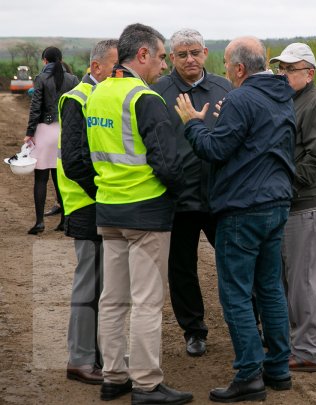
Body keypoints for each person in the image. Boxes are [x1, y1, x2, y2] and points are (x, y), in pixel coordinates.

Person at [175, 36, 295, 402]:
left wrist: (193, 123)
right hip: (276, 204)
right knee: (270, 288)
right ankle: (278, 368)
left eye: (227, 64)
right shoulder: (283, 95)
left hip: (243, 208)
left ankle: (248, 375)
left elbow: (215, 149)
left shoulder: (241, 98)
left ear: (240, 68)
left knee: (236, 294)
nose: (225, 70)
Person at [82, 23, 191, 404]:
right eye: (162, 56)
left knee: (113, 300)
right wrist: (177, 195)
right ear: (142, 55)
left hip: (109, 210)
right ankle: (146, 384)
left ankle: (114, 377)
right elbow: (169, 163)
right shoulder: (144, 99)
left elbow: (85, 156)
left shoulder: (96, 96)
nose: (164, 65)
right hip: (145, 215)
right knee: (147, 303)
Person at [151, 28, 232, 358]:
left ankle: (250, 321)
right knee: (181, 267)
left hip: (221, 195)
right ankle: (194, 330)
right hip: (179, 197)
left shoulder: (225, 88)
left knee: (233, 261)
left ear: (205, 54)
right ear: (172, 58)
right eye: (182, 54)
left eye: (195, 52)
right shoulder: (158, 92)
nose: (190, 59)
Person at [269, 43, 316, 372]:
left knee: (303, 282)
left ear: (308, 73)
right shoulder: (290, 100)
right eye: (281, 68)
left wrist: (287, 186)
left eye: (289, 69)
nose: (283, 74)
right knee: (287, 279)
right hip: (289, 204)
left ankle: (307, 350)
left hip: (305, 205)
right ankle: (292, 343)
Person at [58, 39, 118, 386]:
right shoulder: (79, 99)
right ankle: (80, 359)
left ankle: (95, 353)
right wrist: (103, 193)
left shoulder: (98, 97)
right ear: (96, 67)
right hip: (86, 205)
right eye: (113, 66)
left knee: (103, 286)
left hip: (98, 202)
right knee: (89, 285)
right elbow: (76, 159)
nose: (118, 72)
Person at [24, 46, 79, 234]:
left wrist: (30, 132)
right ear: (61, 59)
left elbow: (35, 107)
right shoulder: (72, 79)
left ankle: (39, 222)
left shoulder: (41, 78)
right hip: (63, 132)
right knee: (60, 178)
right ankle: (65, 220)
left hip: (44, 131)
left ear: (45, 60)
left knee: (41, 179)